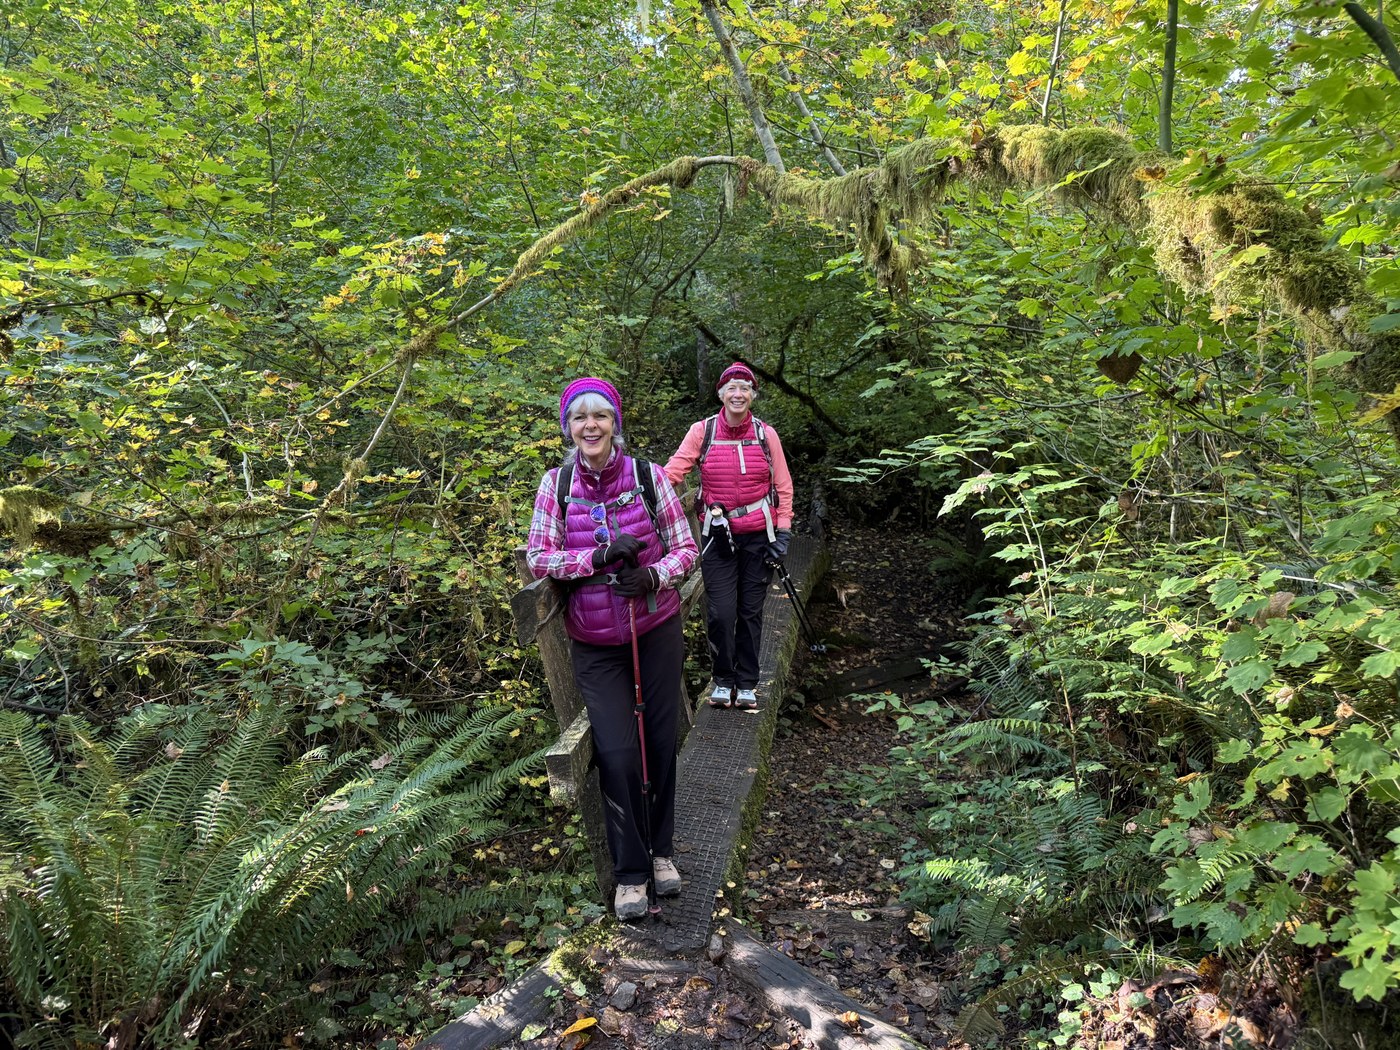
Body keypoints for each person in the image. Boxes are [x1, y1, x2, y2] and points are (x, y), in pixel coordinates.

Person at [525, 377, 699, 920]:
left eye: (600, 415)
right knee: (619, 752)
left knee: (660, 741)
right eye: (579, 418)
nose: (590, 425)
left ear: (614, 423)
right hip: (596, 643)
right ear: (568, 428)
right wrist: (598, 559)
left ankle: (662, 853)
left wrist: (652, 576)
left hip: (654, 630)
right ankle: (630, 873)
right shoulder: (555, 486)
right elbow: (540, 558)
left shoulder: (647, 478)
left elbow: (686, 548)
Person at [664, 362, 794, 711]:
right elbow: (673, 472)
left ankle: (747, 682)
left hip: (758, 537)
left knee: (750, 611)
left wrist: (783, 532)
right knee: (721, 612)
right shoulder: (702, 431)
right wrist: (643, 495)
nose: (738, 394)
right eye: (731, 388)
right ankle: (723, 680)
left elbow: (783, 485)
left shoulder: (766, 435)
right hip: (717, 537)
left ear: (752, 395)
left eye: (745, 388)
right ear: (721, 394)